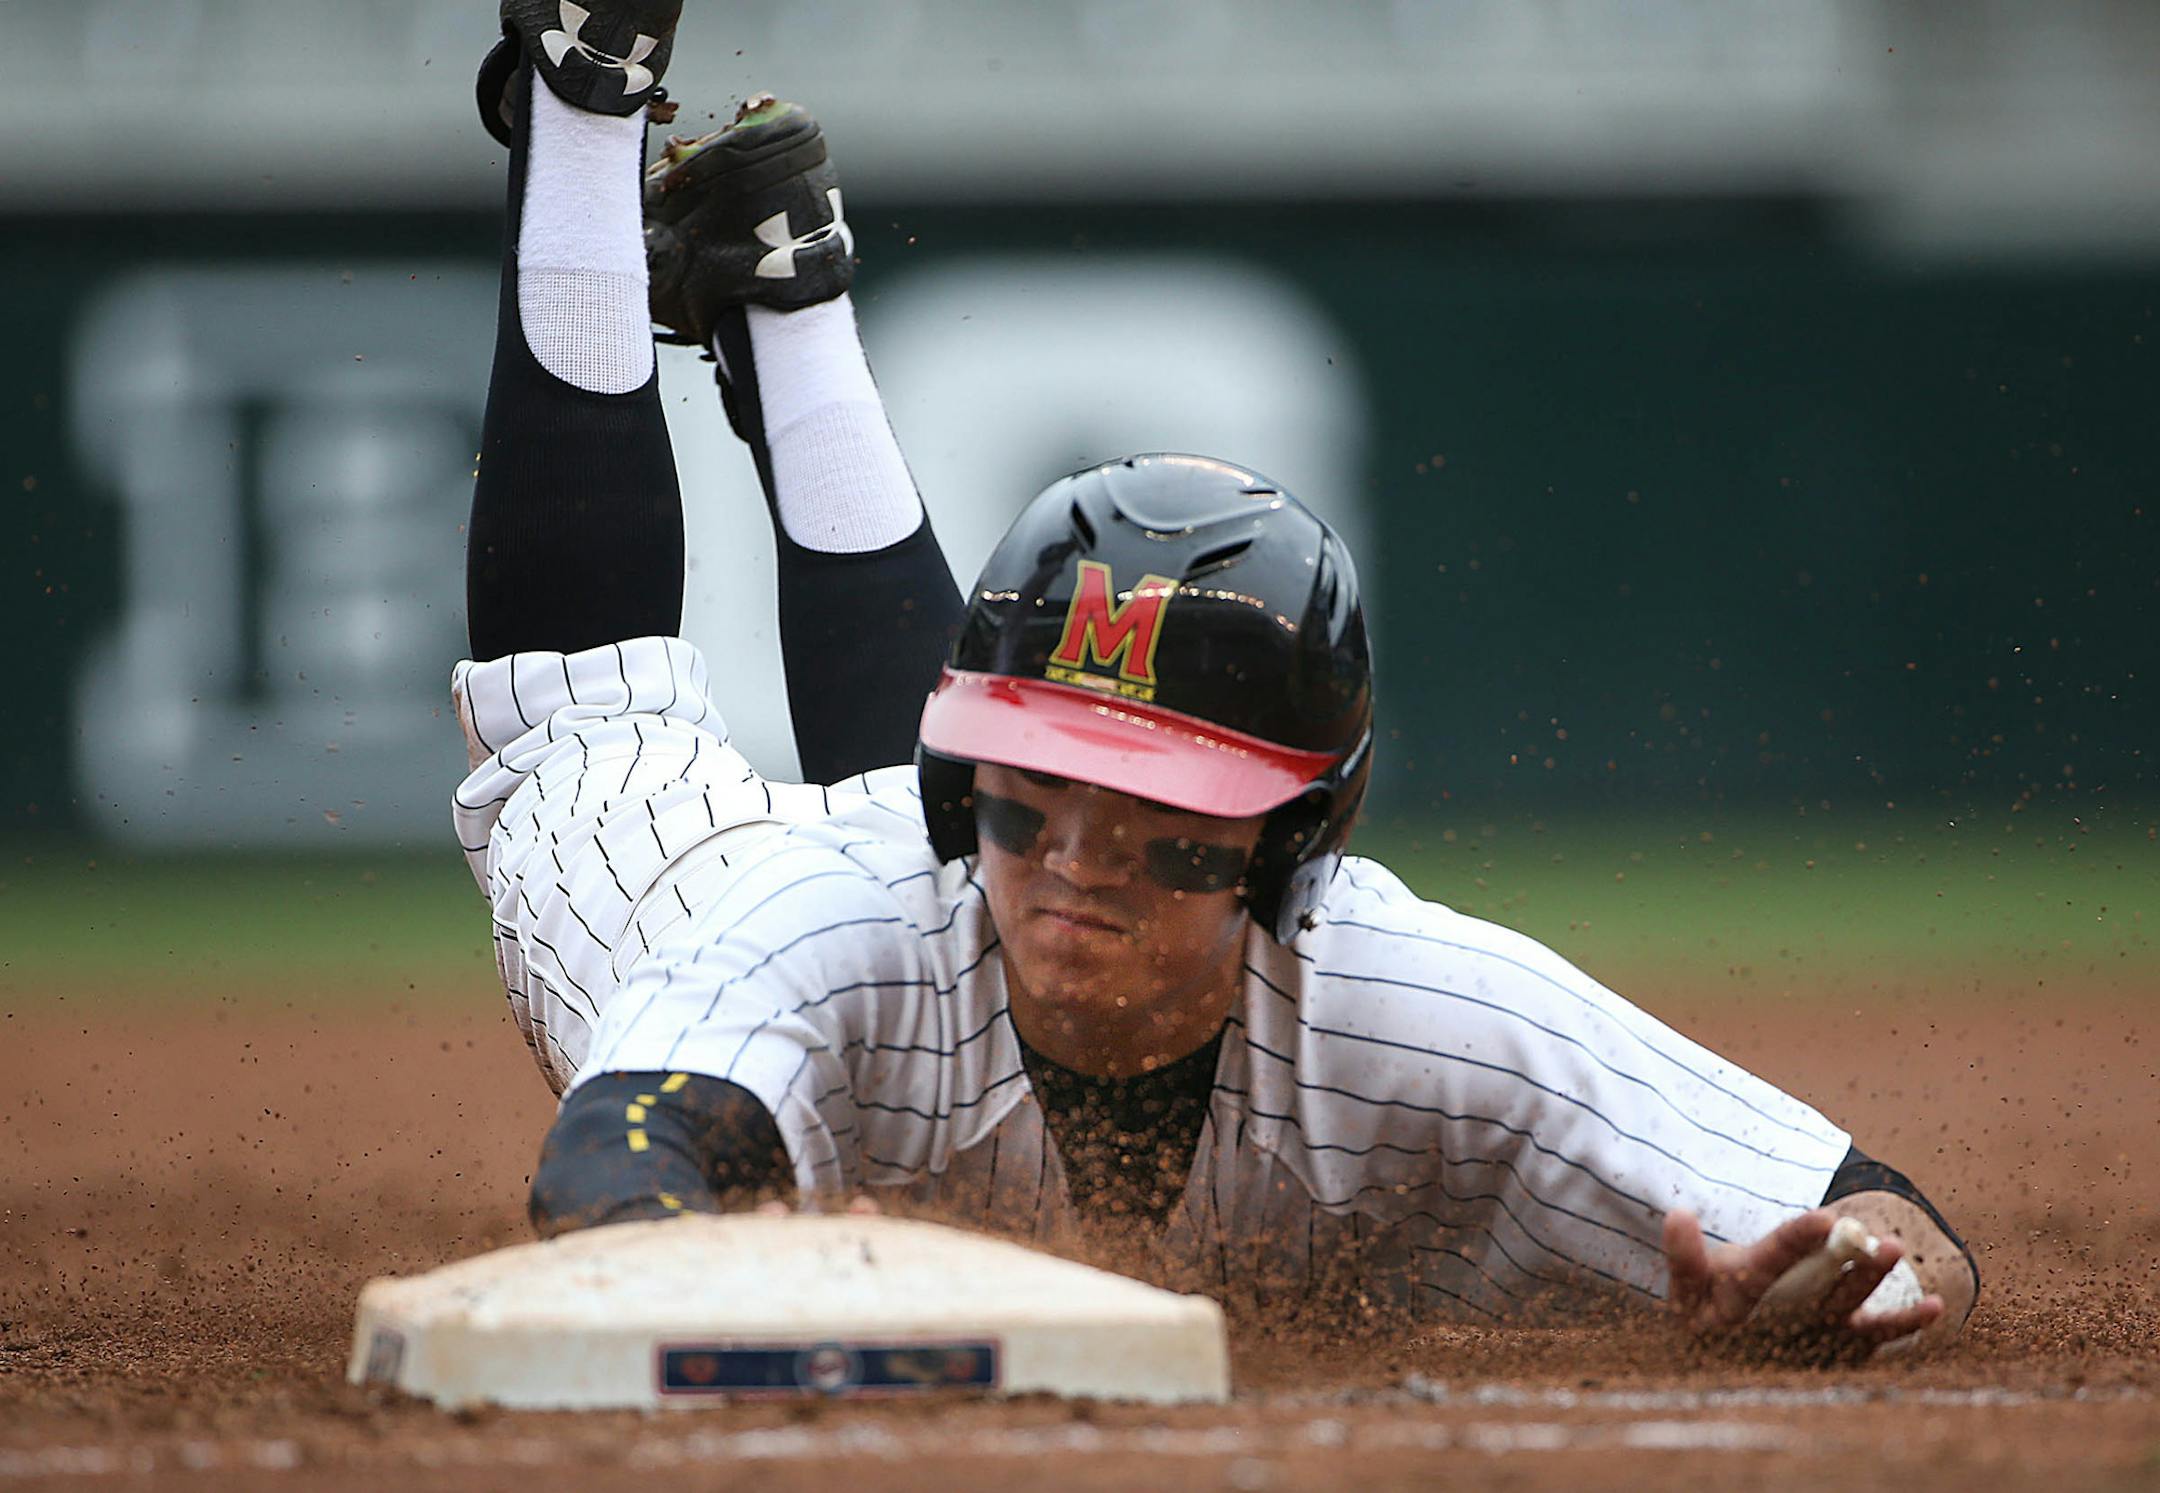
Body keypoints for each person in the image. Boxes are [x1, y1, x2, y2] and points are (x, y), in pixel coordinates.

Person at [453, 0, 1977, 1358]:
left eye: (1157, 814)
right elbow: (617, 1159)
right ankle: (590, 99)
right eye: (1030, 793)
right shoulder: (807, 930)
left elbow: (1887, 1227)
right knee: (589, 726)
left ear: (1293, 843)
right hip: (710, 892)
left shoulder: (1407, 1000)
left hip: (904, 931)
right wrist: (693, 1247)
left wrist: (1852, 1288)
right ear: (967, 777)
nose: (1075, 863)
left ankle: (782, 288)